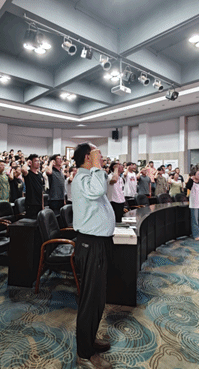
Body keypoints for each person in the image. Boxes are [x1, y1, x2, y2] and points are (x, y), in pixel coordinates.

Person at [70, 143, 115, 369]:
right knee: (90, 300)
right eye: (98, 155)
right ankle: (84, 353)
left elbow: (100, 191)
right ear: (88, 157)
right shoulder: (81, 179)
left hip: (99, 243)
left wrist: (97, 167)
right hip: (90, 244)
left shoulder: (89, 177)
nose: (102, 159)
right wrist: (97, 165)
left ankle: (90, 339)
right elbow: (98, 190)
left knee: (98, 298)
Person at [21, 154, 45, 219]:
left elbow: (41, 191)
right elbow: (23, 170)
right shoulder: (28, 174)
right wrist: (27, 162)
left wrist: (43, 205)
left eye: (39, 161)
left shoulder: (40, 175)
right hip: (31, 204)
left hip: (39, 203)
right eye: (36, 161)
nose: (38, 163)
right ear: (31, 163)